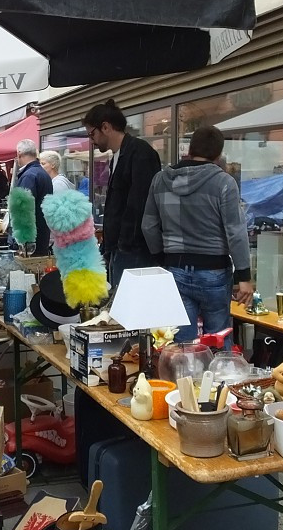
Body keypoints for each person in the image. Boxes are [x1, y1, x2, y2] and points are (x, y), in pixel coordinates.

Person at [142, 125, 253, 346]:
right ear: (218, 154)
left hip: (175, 269)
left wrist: (162, 258)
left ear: (190, 149)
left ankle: (183, 378)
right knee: (218, 339)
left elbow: (148, 226)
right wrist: (244, 276)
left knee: (181, 345)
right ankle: (220, 379)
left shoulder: (161, 180)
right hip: (214, 272)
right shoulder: (224, 182)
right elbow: (236, 232)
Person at [83, 99, 161, 286]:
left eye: (92, 134)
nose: (91, 141)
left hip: (134, 250)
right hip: (121, 248)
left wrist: (124, 243)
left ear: (106, 127)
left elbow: (141, 205)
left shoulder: (140, 153)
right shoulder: (118, 156)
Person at [12, 139, 53, 255]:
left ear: (19, 154)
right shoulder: (43, 174)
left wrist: (21, 243)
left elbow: (22, 212)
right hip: (42, 237)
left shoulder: (29, 176)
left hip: (31, 244)